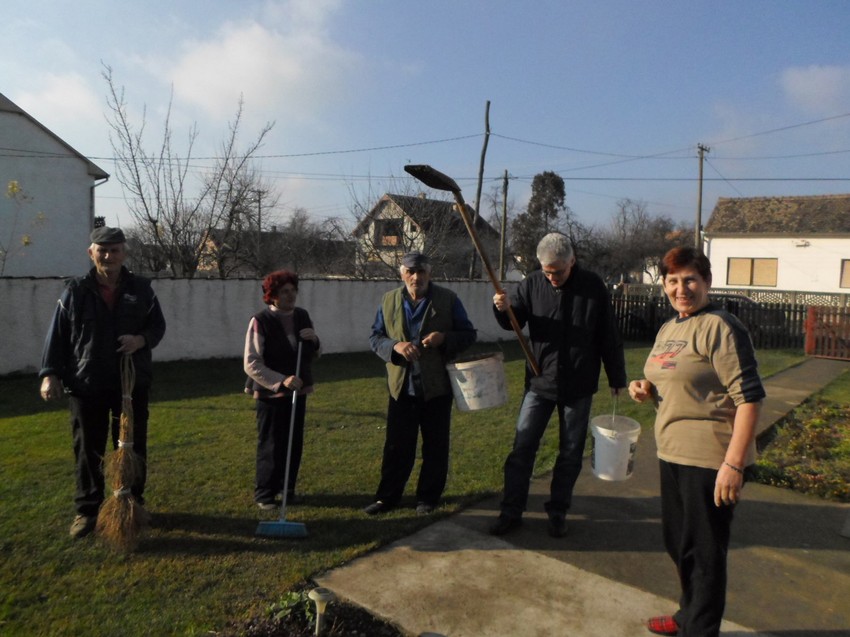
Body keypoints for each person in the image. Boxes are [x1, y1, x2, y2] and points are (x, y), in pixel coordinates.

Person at [628, 246, 765, 637]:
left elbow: (750, 397)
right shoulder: (671, 328)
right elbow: (671, 378)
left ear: (707, 282)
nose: (680, 288)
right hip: (672, 452)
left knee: (705, 553)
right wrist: (646, 387)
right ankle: (688, 614)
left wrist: (734, 464)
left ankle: (699, 629)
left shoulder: (720, 327)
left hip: (710, 459)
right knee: (679, 544)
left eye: (690, 279)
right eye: (672, 280)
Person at [490, 233, 626, 538]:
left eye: (558, 272)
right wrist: (502, 308)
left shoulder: (593, 287)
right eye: (547, 271)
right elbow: (515, 322)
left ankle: (558, 511)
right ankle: (511, 511)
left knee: (570, 452)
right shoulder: (532, 284)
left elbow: (608, 334)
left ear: (572, 261)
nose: (552, 278)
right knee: (522, 449)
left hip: (578, 385)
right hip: (539, 382)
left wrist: (616, 377)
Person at [39, 227, 166, 539]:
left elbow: (157, 326)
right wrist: (48, 373)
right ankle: (88, 510)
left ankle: (132, 503)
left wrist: (140, 339)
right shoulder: (76, 291)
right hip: (87, 382)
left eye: (115, 250)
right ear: (91, 252)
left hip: (130, 382)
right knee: (88, 449)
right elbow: (57, 334)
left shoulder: (141, 289)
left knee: (133, 447)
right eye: (102, 250)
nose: (109, 256)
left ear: (124, 253)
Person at [364, 251, 476, 516]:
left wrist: (444, 338)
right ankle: (387, 498)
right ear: (402, 273)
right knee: (396, 447)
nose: (416, 277)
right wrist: (396, 345)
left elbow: (469, 334)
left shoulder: (448, 300)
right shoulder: (389, 300)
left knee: (435, 446)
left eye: (422, 271)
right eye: (410, 272)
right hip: (401, 387)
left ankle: (427, 497)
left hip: (436, 387)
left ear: (430, 273)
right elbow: (375, 337)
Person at [244, 270, 321, 510]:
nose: (290, 296)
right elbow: (251, 362)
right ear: (272, 295)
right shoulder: (260, 321)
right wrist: (281, 380)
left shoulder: (302, 316)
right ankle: (265, 493)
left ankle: (287, 489)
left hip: (298, 390)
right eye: (284, 292)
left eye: (292, 291)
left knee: (293, 441)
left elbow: (314, 353)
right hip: (271, 392)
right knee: (271, 442)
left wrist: (315, 340)